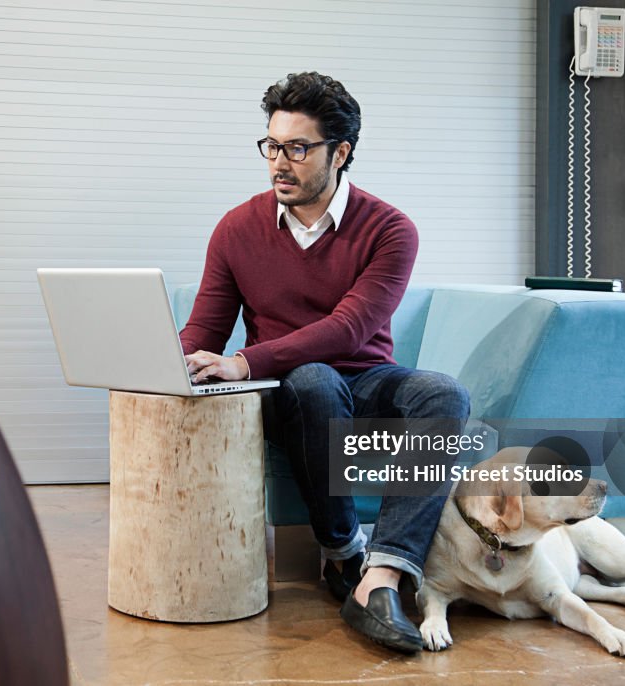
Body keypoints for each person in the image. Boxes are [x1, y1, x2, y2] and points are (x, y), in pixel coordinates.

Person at [178, 72, 470, 653]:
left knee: (444, 394)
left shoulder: (390, 229)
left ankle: (380, 577)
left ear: (341, 152)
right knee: (313, 381)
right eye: (272, 146)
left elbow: (351, 328)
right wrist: (168, 363)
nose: (279, 163)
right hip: (290, 394)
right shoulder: (237, 228)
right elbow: (203, 330)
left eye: (297, 148)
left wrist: (244, 358)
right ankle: (342, 552)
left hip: (367, 380)